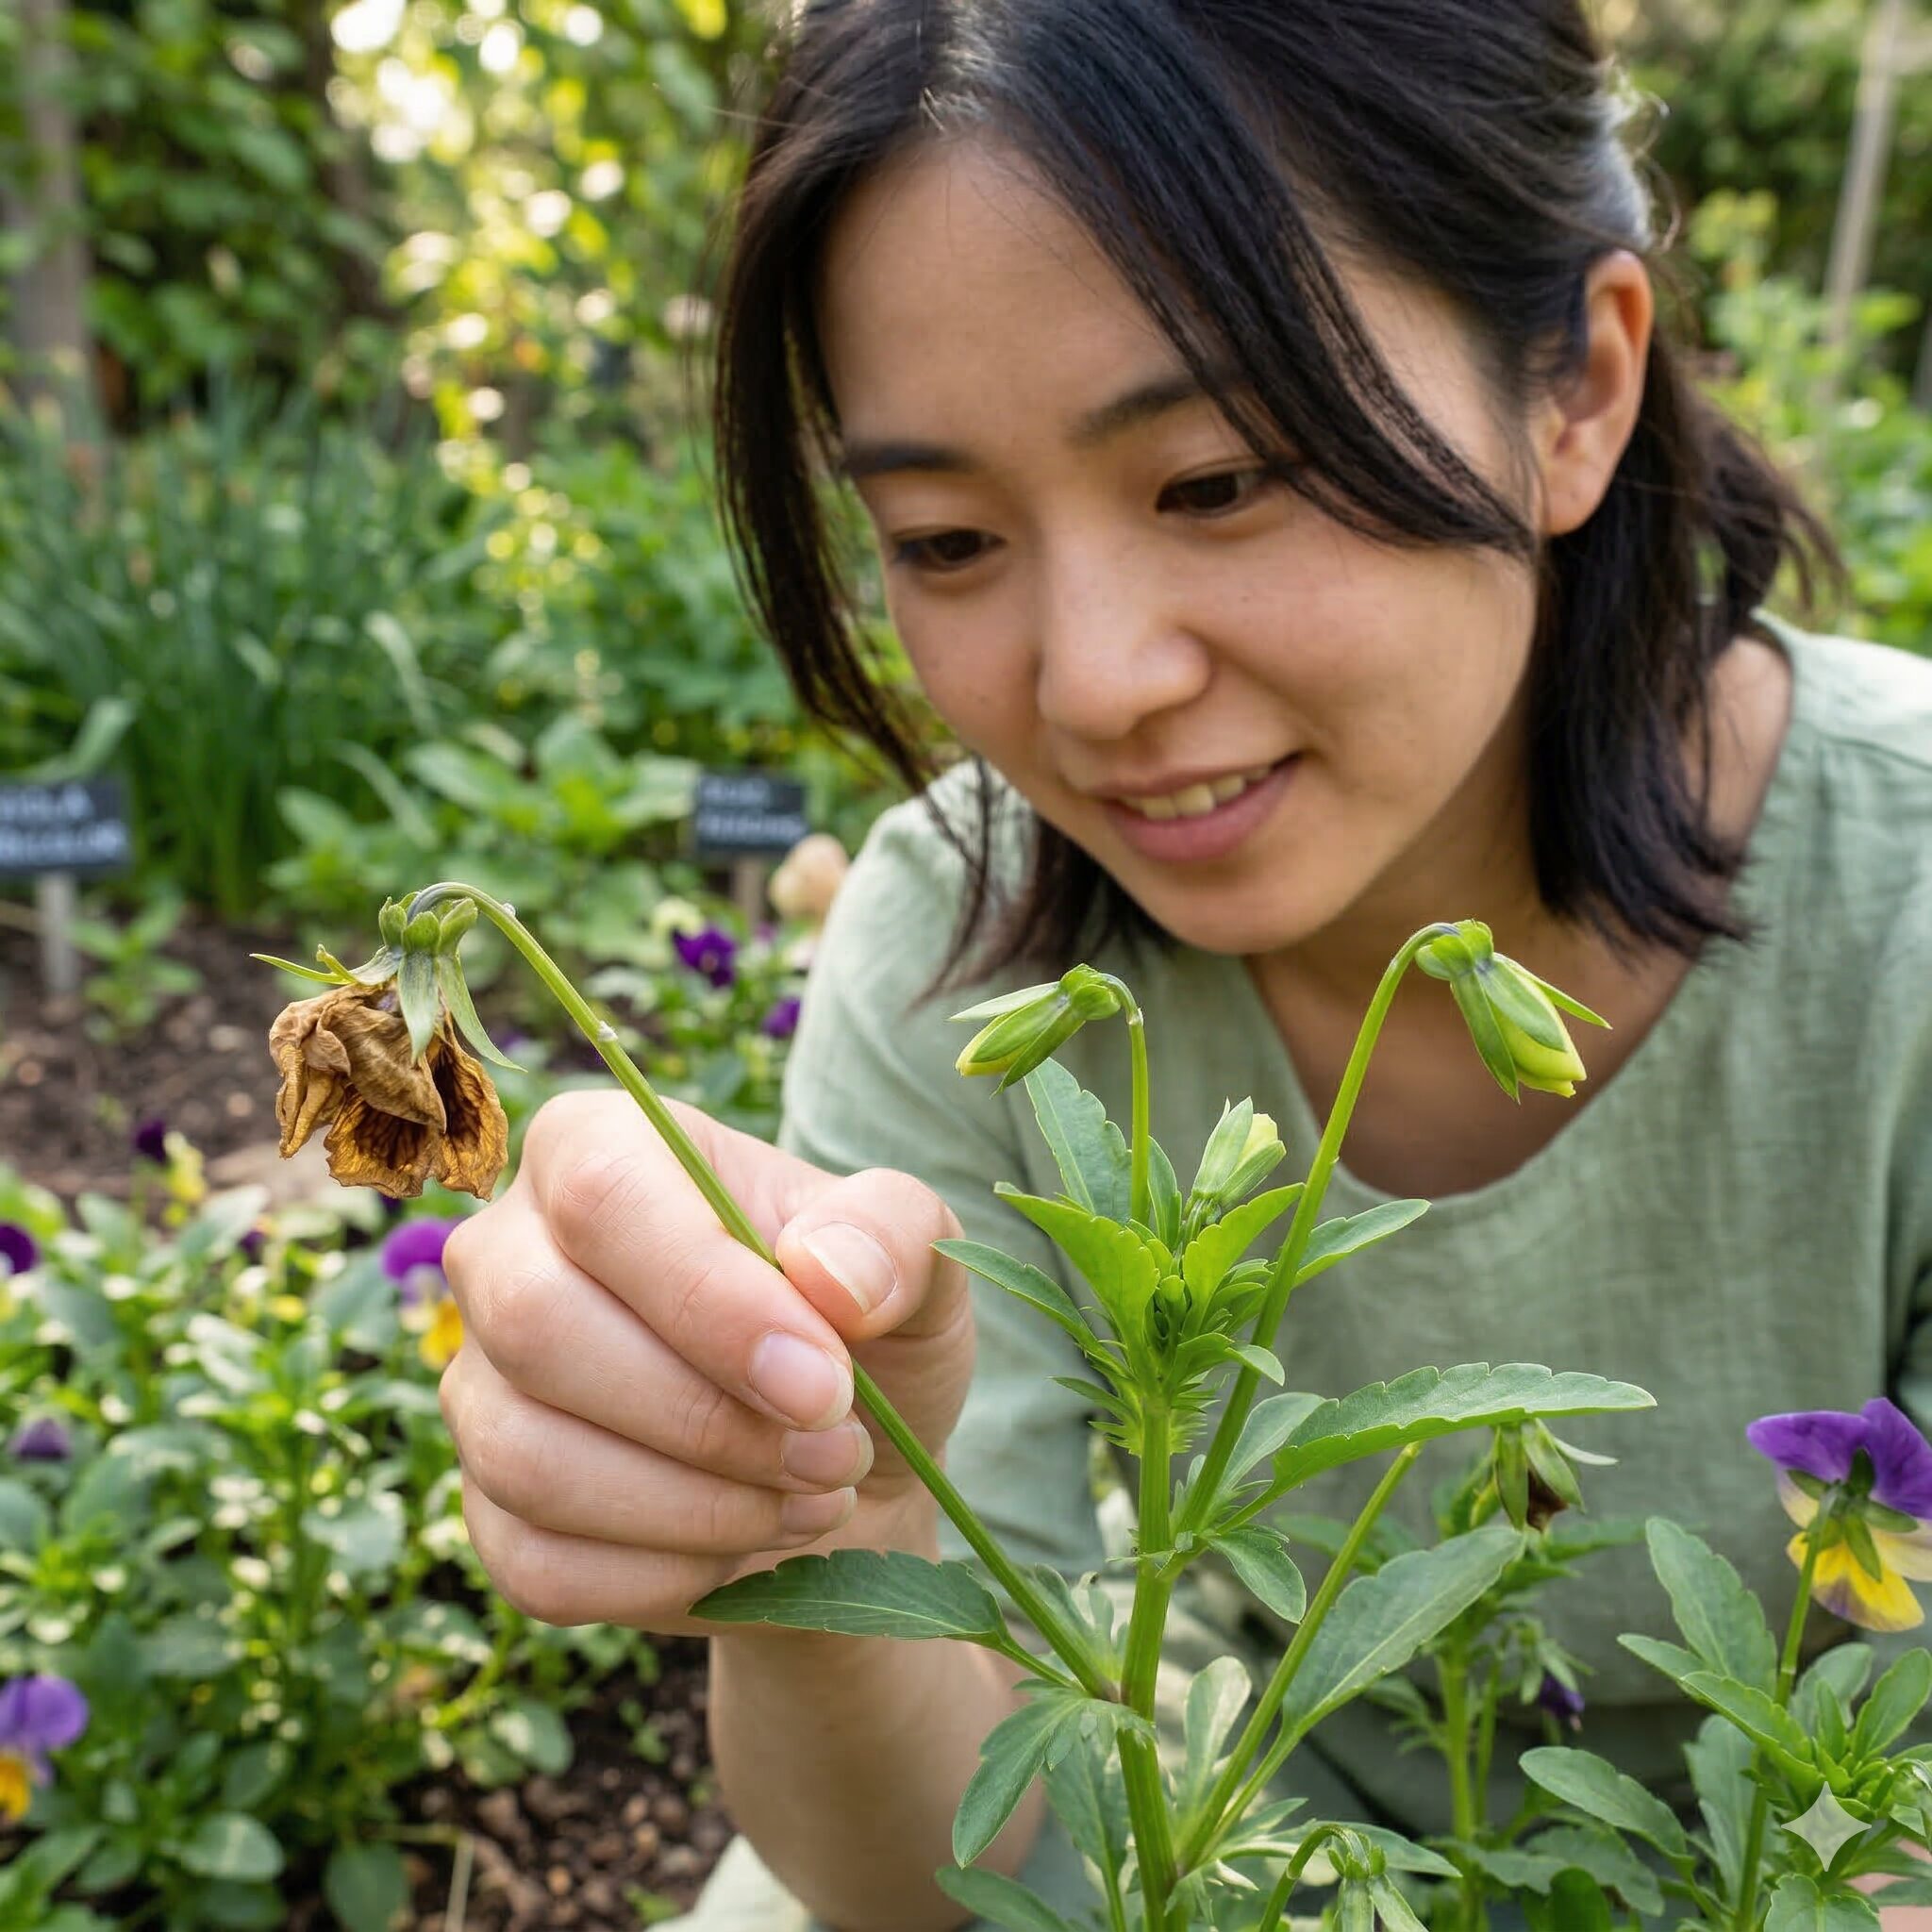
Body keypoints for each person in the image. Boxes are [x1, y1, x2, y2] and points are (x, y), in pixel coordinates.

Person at [434, 3, 1932, 1928]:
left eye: (1217, 480)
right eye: (945, 536)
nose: (1095, 681)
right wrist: (823, 1521)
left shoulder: (1893, 914)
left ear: (1572, 385)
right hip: (1225, 1840)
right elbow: (941, 1874)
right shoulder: (963, 952)